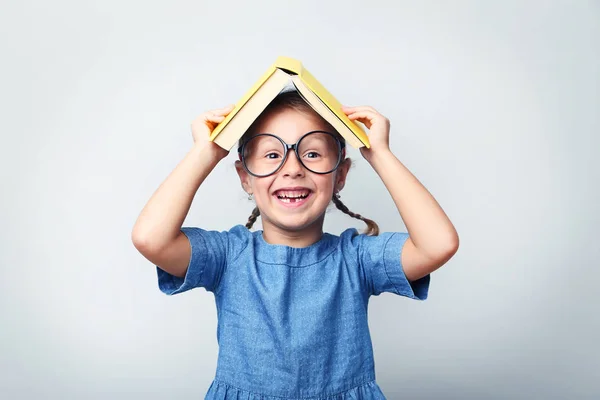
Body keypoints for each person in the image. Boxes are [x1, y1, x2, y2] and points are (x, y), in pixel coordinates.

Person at [132, 90, 459, 399]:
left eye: (312, 154)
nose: (292, 169)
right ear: (245, 176)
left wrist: (381, 155)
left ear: (340, 175)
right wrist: (205, 152)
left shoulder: (356, 259)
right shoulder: (229, 256)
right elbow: (151, 239)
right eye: (272, 154)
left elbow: (437, 245)